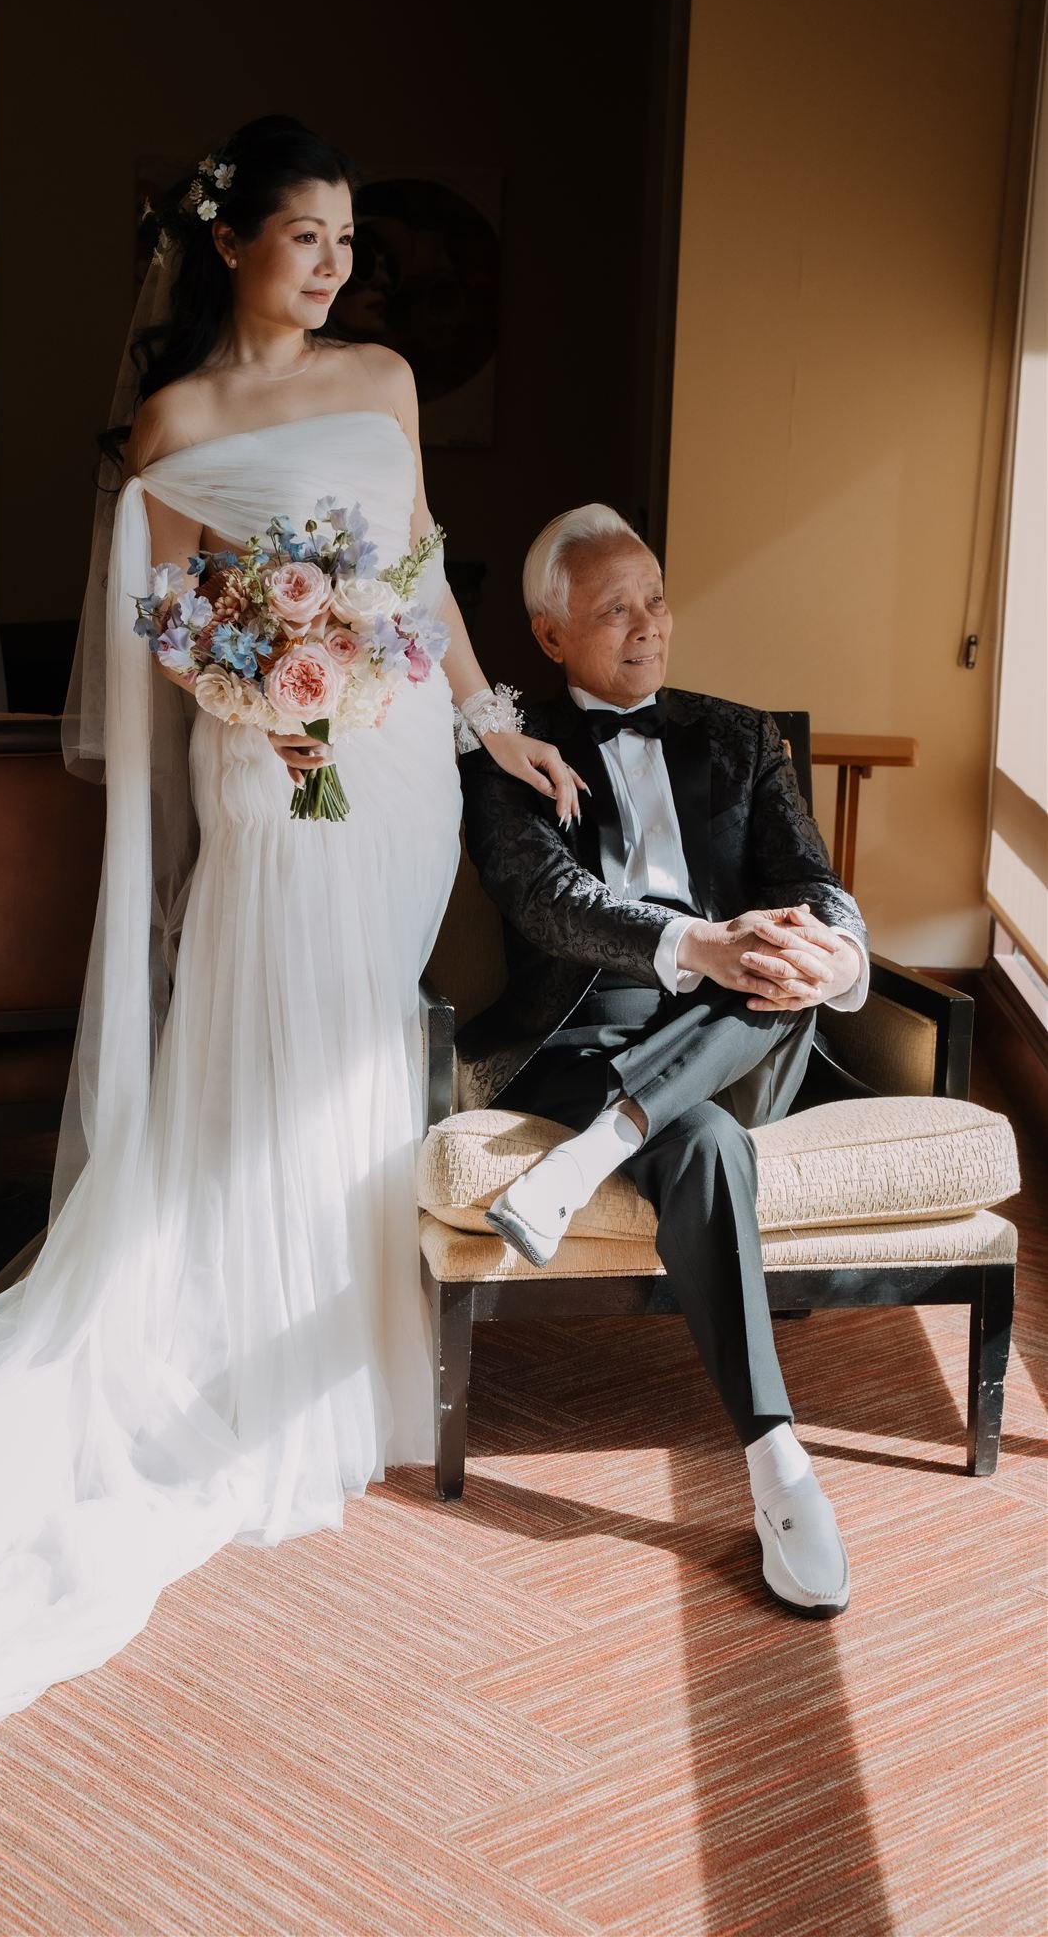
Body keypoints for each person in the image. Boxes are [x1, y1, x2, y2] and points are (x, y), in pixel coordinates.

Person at [0, 114, 580, 1833]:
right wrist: (277, 698)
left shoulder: (385, 378)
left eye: (343, 243)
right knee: (268, 1046)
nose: (330, 268)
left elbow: (421, 574)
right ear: (232, 243)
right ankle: (235, 1350)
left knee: (359, 1047)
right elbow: (172, 629)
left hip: (395, 777)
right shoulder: (172, 428)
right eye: (302, 238)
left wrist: (489, 724)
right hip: (274, 767)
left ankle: (339, 1349)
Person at [459, 501, 869, 1620]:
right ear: (551, 636)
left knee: (788, 966)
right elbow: (543, 900)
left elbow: (815, 878)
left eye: (656, 597)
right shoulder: (506, 750)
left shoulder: (740, 735)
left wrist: (832, 950)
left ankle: (598, 1150)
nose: (648, 625)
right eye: (613, 609)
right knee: (708, 1145)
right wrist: (697, 941)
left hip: (747, 1025)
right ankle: (777, 1460)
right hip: (586, 1034)